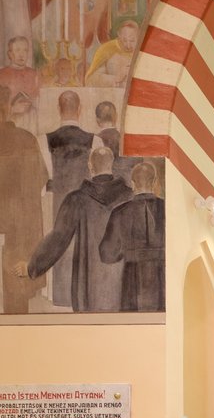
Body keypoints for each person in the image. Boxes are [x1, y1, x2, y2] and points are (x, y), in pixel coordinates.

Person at [20, 147, 132, 312]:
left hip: (87, 289)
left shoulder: (76, 198)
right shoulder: (130, 196)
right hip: (123, 286)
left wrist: (32, 267)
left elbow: (58, 239)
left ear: (90, 166)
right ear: (111, 164)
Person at [43, 90, 104, 306]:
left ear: (59, 109)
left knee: (59, 239)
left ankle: (58, 296)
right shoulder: (94, 140)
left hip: (58, 201)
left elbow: (47, 177)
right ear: (79, 110)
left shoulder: (45, 140)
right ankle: (80, 296)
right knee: (82, 244)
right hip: (85, 203)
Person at [0, 85, 47, 314]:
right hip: (18, 227)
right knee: (16, 301)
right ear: (8, 107)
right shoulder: (26, 139)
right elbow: (40, 179)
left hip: (12, 226)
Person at [100, 161, 165, 312]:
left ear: (133, 183)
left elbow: (107, 255)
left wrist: (126, 250)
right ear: (155, 182)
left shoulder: (119, 212)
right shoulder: (167, 209)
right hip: (163, 280)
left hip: (132, 281)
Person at [0, 36, 39, 131]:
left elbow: (40, 101)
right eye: (17, 50)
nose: (21, 55)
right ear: (10, 54)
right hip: (9, 123)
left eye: (25, 50)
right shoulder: (2, 74)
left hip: (31, 122)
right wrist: (13, 109)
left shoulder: (34, 74)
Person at [86, 21, 139, 87]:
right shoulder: (107, 49)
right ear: (119, 35)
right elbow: (91, 80)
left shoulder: (142, 52)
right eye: (124, 40)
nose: (128, 45)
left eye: (132, 41)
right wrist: (116, 78)